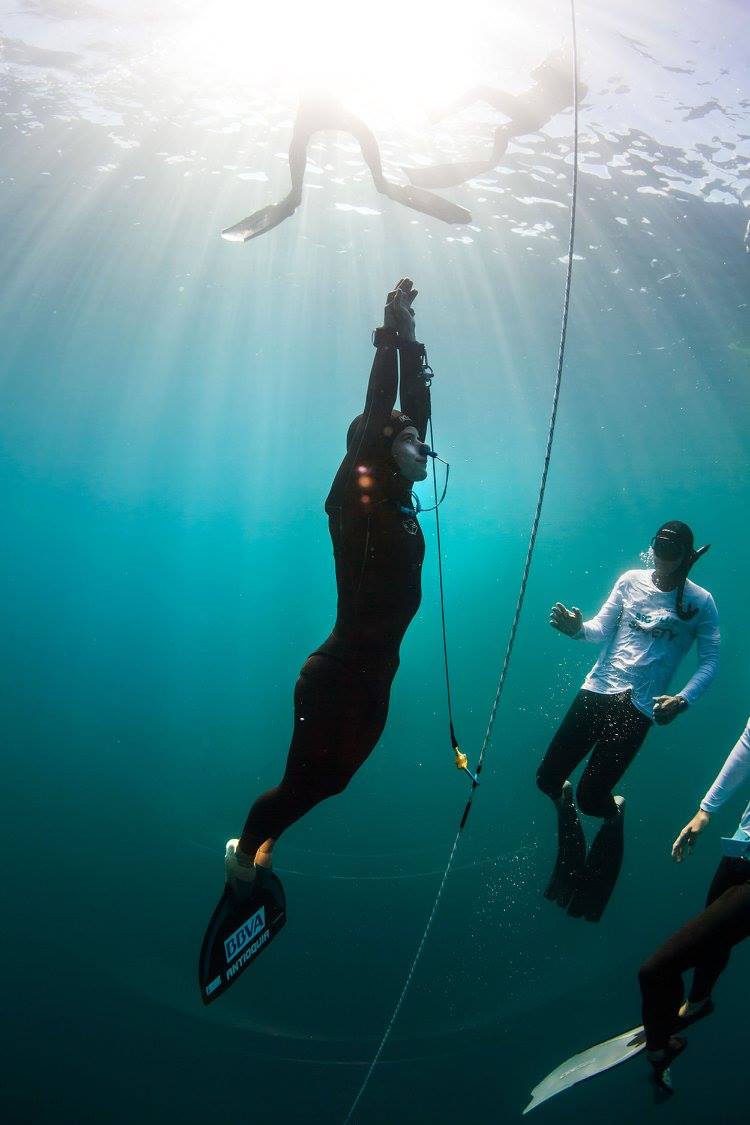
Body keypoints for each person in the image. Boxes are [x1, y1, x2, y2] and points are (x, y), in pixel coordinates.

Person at [223, 277, 435, 891]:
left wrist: (414, 343)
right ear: (376, 451)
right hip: (338, 675)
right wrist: (388, 341)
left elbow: (413, 414)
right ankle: (242, 860)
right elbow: (379, 420)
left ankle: (265, 845)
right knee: (300, 784)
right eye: (408, 442)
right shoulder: (356, 501)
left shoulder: (399, 501)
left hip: (375, 678)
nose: (423, 446)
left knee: (334, 782)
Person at [537, 522, 720, 921]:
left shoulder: (700, 603)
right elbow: (601, 630)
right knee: (546, 779)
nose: (661, 556)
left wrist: (682, 700)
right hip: (598, 690)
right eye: (658, 545)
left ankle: (612, 811)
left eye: (672, 550)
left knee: (591, 798)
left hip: (638, 709)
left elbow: (711, 660)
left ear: (688, 555)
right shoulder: (630, 581)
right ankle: (568, 816)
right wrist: (576, 630)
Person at [638, 717, 750, 1088]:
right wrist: (706, 810)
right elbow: (747, 743)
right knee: (712, 941)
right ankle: (699, 1002)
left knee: (655, 972)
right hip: (740, 849)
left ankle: (661, 1050)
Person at [221, 91, 471, 243]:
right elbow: (365, 134)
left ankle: (295, 197)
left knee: (300, 181)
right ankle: (383, 185)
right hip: (324, 112)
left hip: (319, 112)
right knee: (378, 178)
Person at [403, 48, 588, 190]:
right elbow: (535, 74)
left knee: (481, 91)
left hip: (530, 113)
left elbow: (572, 94)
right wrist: (551, 58)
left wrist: (558, 68)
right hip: (532, 118)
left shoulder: (577, 86)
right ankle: (490, 164)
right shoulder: (556, 74)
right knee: (501, 132)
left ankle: (438, 115)